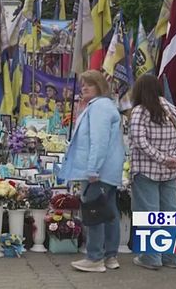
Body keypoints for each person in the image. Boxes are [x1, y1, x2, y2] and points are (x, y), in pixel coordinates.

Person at [59, 70, 125, 273]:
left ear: (100, 87)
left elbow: (99, 139)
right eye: (83, 84)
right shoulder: (104, 106)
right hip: (108, 170)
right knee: (109, 212)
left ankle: (94, 257)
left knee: (94, 211)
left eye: (89, 84)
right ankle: (110, 256)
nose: (84, 88)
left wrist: (93, 168)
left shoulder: (99, 107)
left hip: (98, 171)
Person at [129, 74, 176, 270]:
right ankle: (175, 257)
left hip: (145, 170)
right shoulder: (174, 110)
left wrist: (161, 158)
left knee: (148, 213)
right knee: (171, 213)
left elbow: (139, 141)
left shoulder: (139, 112)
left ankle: (151, 257)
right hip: (170, 172)